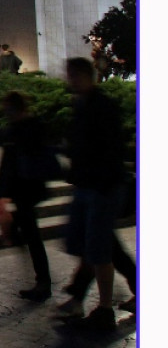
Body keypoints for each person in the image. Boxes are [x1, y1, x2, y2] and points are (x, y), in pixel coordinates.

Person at [58, 57, 129, 331]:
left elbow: (110, 148)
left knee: (99, 249)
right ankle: (80, 298)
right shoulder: (81, 105)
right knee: (89, 244)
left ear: (88, 76)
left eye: (75, 76)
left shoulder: (102, 106)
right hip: (88, 185)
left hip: (102, 187)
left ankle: (104, 308)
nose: (71, 81)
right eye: (70, 76)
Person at [0, 91, 55, 300]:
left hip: (29, 188)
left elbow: (36, 158)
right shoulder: (12, 130)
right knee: (28, 233)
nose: (5, 112)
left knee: (31, 234)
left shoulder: (32, 127)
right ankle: (42, 280)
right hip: (20, 189)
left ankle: (43, 282)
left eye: (8, 108)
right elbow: (6, 162)